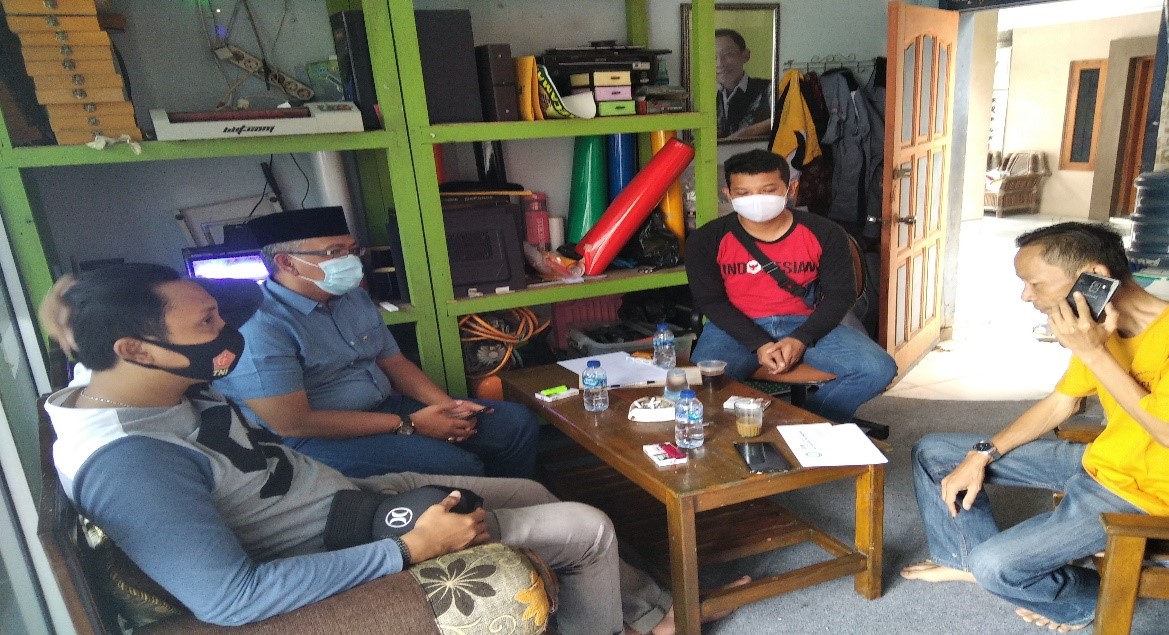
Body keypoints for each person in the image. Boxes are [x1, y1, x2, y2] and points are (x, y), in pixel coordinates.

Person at [41, 262, 721, 634]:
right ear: (135, 349)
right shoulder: (130, 462)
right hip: (342, 540)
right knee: (586, 525)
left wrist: (73, 304)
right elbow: (230, 599)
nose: (225, 332)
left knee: (533, 488)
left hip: (350, 502)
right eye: (207, 322)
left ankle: (643, 613)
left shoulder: (133, 379)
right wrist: (408, 549)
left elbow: (81, 316)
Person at [900, 222, 1169, 632]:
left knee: (996, 565)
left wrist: (1093, 352)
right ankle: (965, 560)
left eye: (1035, 283)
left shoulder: (1123, 339)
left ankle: (1083, 600)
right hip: (1100, 461)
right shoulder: (1098, 326)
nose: (1026, 295)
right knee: (935, 451)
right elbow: (1062, 402)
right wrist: (982, 453)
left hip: (1146, 494)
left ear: (1094, 274)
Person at [213, 207, 539, 479]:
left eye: (352, 250)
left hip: (383, 409)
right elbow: (293, 423)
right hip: (312, 438)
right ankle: (483, 522)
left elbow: (394, 363)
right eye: (334, 252)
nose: (350, 260)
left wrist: (448, 408)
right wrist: (411, 424)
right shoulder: (260, 325)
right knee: (457, 465)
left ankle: (518, 505)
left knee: (515, 424)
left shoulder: (353, 298)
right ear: (287, 263)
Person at [686, 149, 896, 423]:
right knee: (703, 387)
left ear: (791, 189)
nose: (756, 200)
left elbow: (840, 295)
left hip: (805, 323)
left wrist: (801, 338)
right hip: (734, 327)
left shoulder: (825, 232)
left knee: (878, 369)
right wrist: (759, 343)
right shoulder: (706, 239)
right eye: (743, 193)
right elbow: (710, 301)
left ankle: (810, 422)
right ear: (729, 194)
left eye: (767, 190)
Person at [715, 28, 772, 139]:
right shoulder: (705, 99)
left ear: (745, 55)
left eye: (728, 54)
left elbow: (786, 118)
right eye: (712, 57)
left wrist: (744, 134)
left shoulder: (768, 89)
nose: (719, 63)